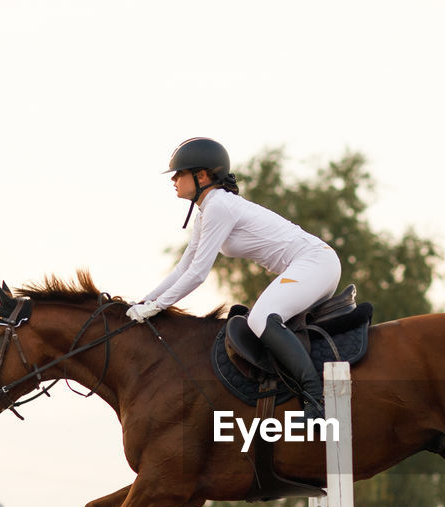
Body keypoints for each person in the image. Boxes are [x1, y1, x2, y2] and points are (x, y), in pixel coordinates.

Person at [126, 138, 340, 420]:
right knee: (264, 321)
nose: (174, 179)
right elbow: (183, 268)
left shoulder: (219, 206)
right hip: (310, 266)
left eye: (180, 173)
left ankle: (316, 400)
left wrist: (156, 308)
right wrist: (145, 301)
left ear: (202, 176)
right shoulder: (207, 212)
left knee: (261, 319)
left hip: (314, 263)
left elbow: (198, 275)